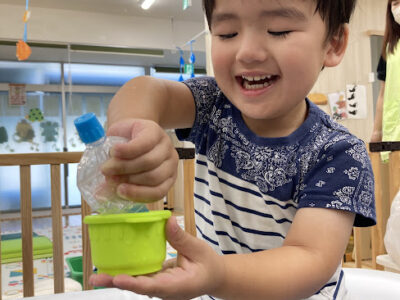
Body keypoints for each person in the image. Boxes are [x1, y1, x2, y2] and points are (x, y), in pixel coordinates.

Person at [90, 1, 376, 299]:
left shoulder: (338, 153)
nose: (247, 52)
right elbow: (145, 90)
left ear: (333, 43)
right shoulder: (212, 105)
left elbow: (309, 258)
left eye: (278, 30)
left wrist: (217, 274)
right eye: (227, 33)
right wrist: (135, 128)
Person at [371, 0, 400, 152]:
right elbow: (382, 94)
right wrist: (377, 131)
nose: (398, 8)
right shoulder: (390, 48)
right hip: (395, 132)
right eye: (395, 3)